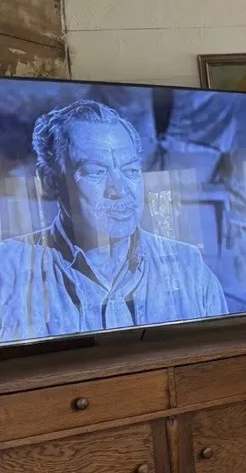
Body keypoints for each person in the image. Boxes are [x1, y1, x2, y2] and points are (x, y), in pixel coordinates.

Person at [0, 100, 227, 342]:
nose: (119, 189)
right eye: (95, 172)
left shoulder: (188, 266)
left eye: (130, 171)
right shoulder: (8, 270)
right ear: (50, 182)